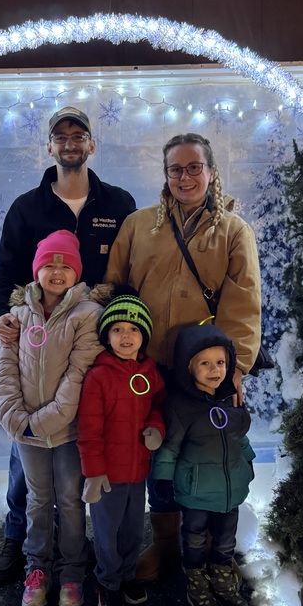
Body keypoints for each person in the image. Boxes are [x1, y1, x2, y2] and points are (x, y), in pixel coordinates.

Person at [0, 106, 136, 584]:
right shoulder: (26, 208)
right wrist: (1, 320)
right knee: (26, 446)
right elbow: (7, 277)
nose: (70, 142)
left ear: (93, 145)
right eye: (61, 136)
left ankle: (92, 545)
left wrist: (126, 334)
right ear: (49, 147)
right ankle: (19, 535)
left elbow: (130, 276)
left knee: (84, 445)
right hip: (38, 347)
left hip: (98, 349)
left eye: (79, 135)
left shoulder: (118, 204)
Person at [104, 132, 261, 581]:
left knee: (205, 455)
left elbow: (244, 304)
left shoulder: (233, 232)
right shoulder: (138, 225)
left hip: (204, 374)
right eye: (176, 169)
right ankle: (167, 542)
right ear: (166, 174)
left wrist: (234, 369)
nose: (186, 176)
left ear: (212, 172)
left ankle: (211, 544)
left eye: (195, 167)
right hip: (148, 368)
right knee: (160, 456)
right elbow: (115, 290)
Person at [0, 230, 106, 606]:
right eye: (49, 264)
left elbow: (78, 375)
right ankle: (37, 570)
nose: (57, 271)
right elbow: (5, 371)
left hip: (68, 432)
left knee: (71, 501)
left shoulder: (87, 315)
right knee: (38, 500)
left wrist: (40, 422)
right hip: (26, 433)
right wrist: (16, 420)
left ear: (76, 272)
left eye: (65, 265)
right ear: (37, 270)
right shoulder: (17, 317)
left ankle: (72, 572)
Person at [152, 323, 255, 606]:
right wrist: (162, 478)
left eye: (220, 362)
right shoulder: (181, 407)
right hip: (196, 493)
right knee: (194, 537)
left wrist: (248, 461)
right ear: (189, 368)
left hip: (230, 491)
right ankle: (196, 581)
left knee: (225, 540)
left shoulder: (230, 401)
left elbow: (240, 438)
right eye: (205, 363)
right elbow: (169, 448)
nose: (215, 370)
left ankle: (222, 578)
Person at [77, 291, 166, 606]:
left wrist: (156, 428)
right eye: (118, 329)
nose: (126, 336)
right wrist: (94, 472)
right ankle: (108, 582)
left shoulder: (149, 373)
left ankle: (128, 576)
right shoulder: (99, 377)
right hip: (107, 476)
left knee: (131, 529)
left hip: (137, 471)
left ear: (143, 336)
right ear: (107, 336)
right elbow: (88, 429)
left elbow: (158, 405)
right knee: (107, 532)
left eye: (133, 329)